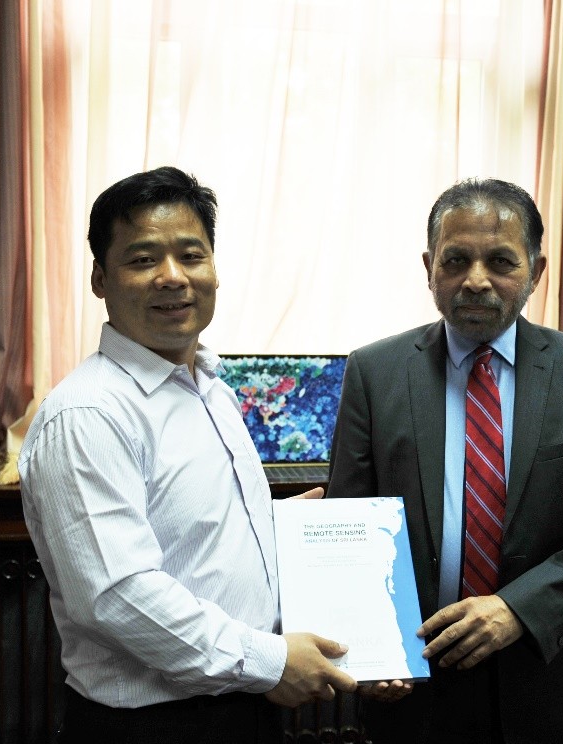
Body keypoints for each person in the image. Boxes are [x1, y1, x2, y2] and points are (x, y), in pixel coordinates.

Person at [19, 166, 356, 744]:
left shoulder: (210, 386)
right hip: (153, 726)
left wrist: (271, 528)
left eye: (191, 255)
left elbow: (183, 530)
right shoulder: (87, 414)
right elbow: (119, 596)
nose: (172, 277)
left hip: (241, 705)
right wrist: (271, 662)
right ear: (100, 278)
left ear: (215, 269)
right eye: (143, 259)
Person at [327, 178, 563, 744]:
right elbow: (349, 523)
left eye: (500, 261)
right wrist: (371, 648)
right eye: (456, 260)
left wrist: (517, 610)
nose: (475, 279)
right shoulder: (373, 373)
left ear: (536, 270)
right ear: (430, 267)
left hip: (548, 677)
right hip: (414, 682)